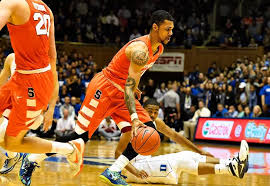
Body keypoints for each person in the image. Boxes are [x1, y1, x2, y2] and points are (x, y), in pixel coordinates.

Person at [17, 10, 174, 186]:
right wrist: (134, 117)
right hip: (104, 89)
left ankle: (113, 171)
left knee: (149, 129)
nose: (171, 33)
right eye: (167, 29)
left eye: (172, 29)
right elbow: (129, 85)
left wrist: (135, 86)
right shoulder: (139, 50)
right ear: (155, 27)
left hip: (122, 92)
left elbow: (134, 75)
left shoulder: (159, 48)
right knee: (79, 138)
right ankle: (32, 158)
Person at [0, 1, 84, 185]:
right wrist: (51, 103)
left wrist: (50, 106)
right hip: (30, 78)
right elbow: (52, 58)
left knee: (10, 142)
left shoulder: (12, 3)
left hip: (32, 84)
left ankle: (70, 149)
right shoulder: (46, 8)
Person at [117, 99, 249, 184]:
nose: (152, 115)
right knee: (180, 160)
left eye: (155, 112)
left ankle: (232, 163)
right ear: (142, 110)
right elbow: (118, 154)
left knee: (190, 155)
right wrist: (135, 172)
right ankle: (230, 169)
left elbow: (176, 137)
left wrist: (199, 150)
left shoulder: (156, 122)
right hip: (136, 171)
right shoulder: (132, 126)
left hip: (146, 164)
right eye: (149, 111)